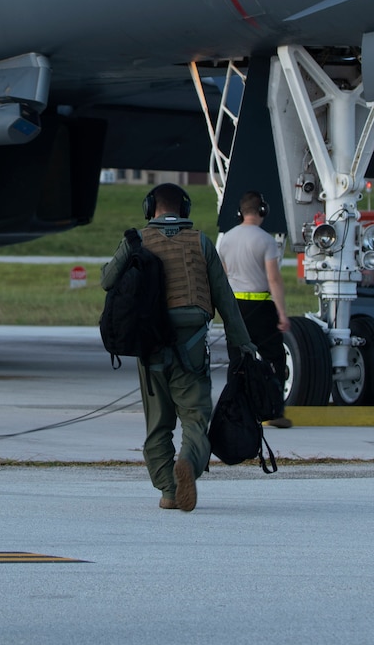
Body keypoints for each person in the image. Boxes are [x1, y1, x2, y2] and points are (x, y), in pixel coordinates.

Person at [99, 181, 258, 511]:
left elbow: (106, 280)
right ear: (183, 210)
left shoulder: (136, 240)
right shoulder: (201, 242)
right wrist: (242, 345)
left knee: (157, 424)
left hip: (150, 344)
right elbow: (225, 300)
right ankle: (188, 461)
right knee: (196, 419)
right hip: (193, 344)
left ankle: (168, 491)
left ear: (149, 209)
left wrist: (128, 248)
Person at [216, 190, 294, 428]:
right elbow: (274, 279)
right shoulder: (265, 240)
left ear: (241, 213)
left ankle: (234, 411)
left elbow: (221, 277)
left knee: (237, 361)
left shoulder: (226, 239)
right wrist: (281, 312)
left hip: (236, 307)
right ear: (262, 211)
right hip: (261, 306)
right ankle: (274, 410)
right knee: (274, 358)